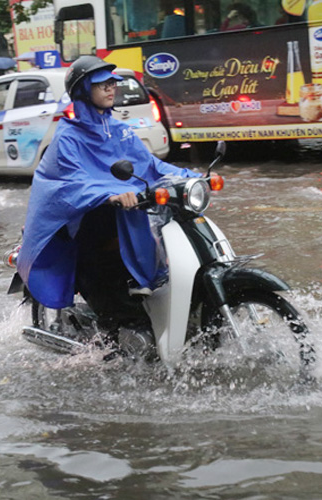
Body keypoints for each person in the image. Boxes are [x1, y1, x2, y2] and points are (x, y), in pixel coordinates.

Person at [16, 55, 200, 331]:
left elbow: (150, 165)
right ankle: (111, 341)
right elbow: (71, 182)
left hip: (125, 219)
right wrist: (109, 195)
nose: (111, 89)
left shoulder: (120, 131)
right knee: (113, 301)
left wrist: (193, 177)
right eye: (102, 85)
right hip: (90, 226)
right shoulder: (68, 137)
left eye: (112, 84)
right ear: (82, 91)